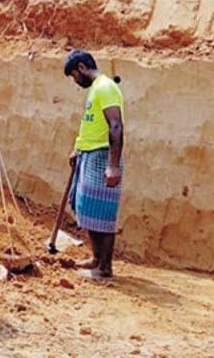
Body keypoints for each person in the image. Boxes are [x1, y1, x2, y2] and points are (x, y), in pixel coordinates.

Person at [63, 49, 125, 279]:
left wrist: (113, 165)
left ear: (81, 68)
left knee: (103, 215)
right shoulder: (96, 89)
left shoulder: (105, 87)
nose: (75, 81)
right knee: (89, 210)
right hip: (89, 154)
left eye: (73, 76)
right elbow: (93, 124)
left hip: (102, 156)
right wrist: (78, 148)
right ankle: (96, 258)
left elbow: (115, 126)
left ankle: (105, 268)